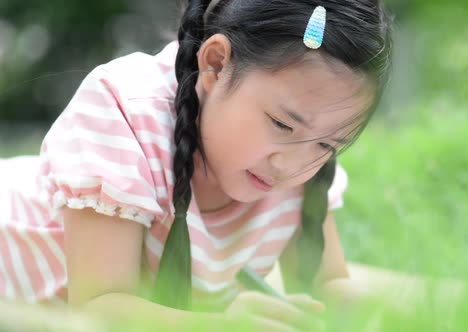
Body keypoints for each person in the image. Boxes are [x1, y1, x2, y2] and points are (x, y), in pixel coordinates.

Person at [0, 0, 393, 330]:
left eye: (328, 143)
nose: (291, 164)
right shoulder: (123, 113)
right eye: (281, 124)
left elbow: (327, 287)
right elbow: (98, 308)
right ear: (216, 64)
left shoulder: (307, 167)